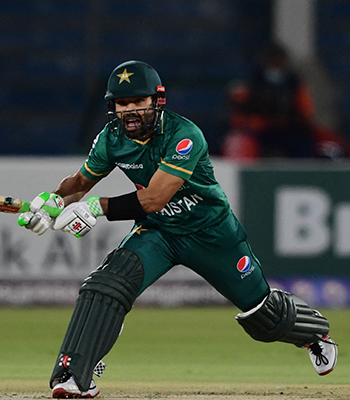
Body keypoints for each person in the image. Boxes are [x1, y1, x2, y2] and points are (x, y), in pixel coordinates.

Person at [18, 60, 338, 399]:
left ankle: (315, 335)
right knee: (105, 286)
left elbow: (155, 197)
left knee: (263, 315)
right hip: (159, 233)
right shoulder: (112, 138)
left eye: (138, 102)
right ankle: (74, 376)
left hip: (211, 233)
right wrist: (53, 201)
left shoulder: (184, 135)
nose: (129, 111)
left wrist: (97, 207)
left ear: (157, 101)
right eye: (122, 103)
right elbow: (82, 182)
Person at [222, 43, 349, 160]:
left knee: (309, 144)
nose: (277, 64)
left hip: (290, 129)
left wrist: (293, 120)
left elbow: (305, 110)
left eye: (280, 61)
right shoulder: (252, 84)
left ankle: (304, 173)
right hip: (261, 129)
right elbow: (241, 113)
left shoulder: (293, 83)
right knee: (243, 142)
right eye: (273, 61)